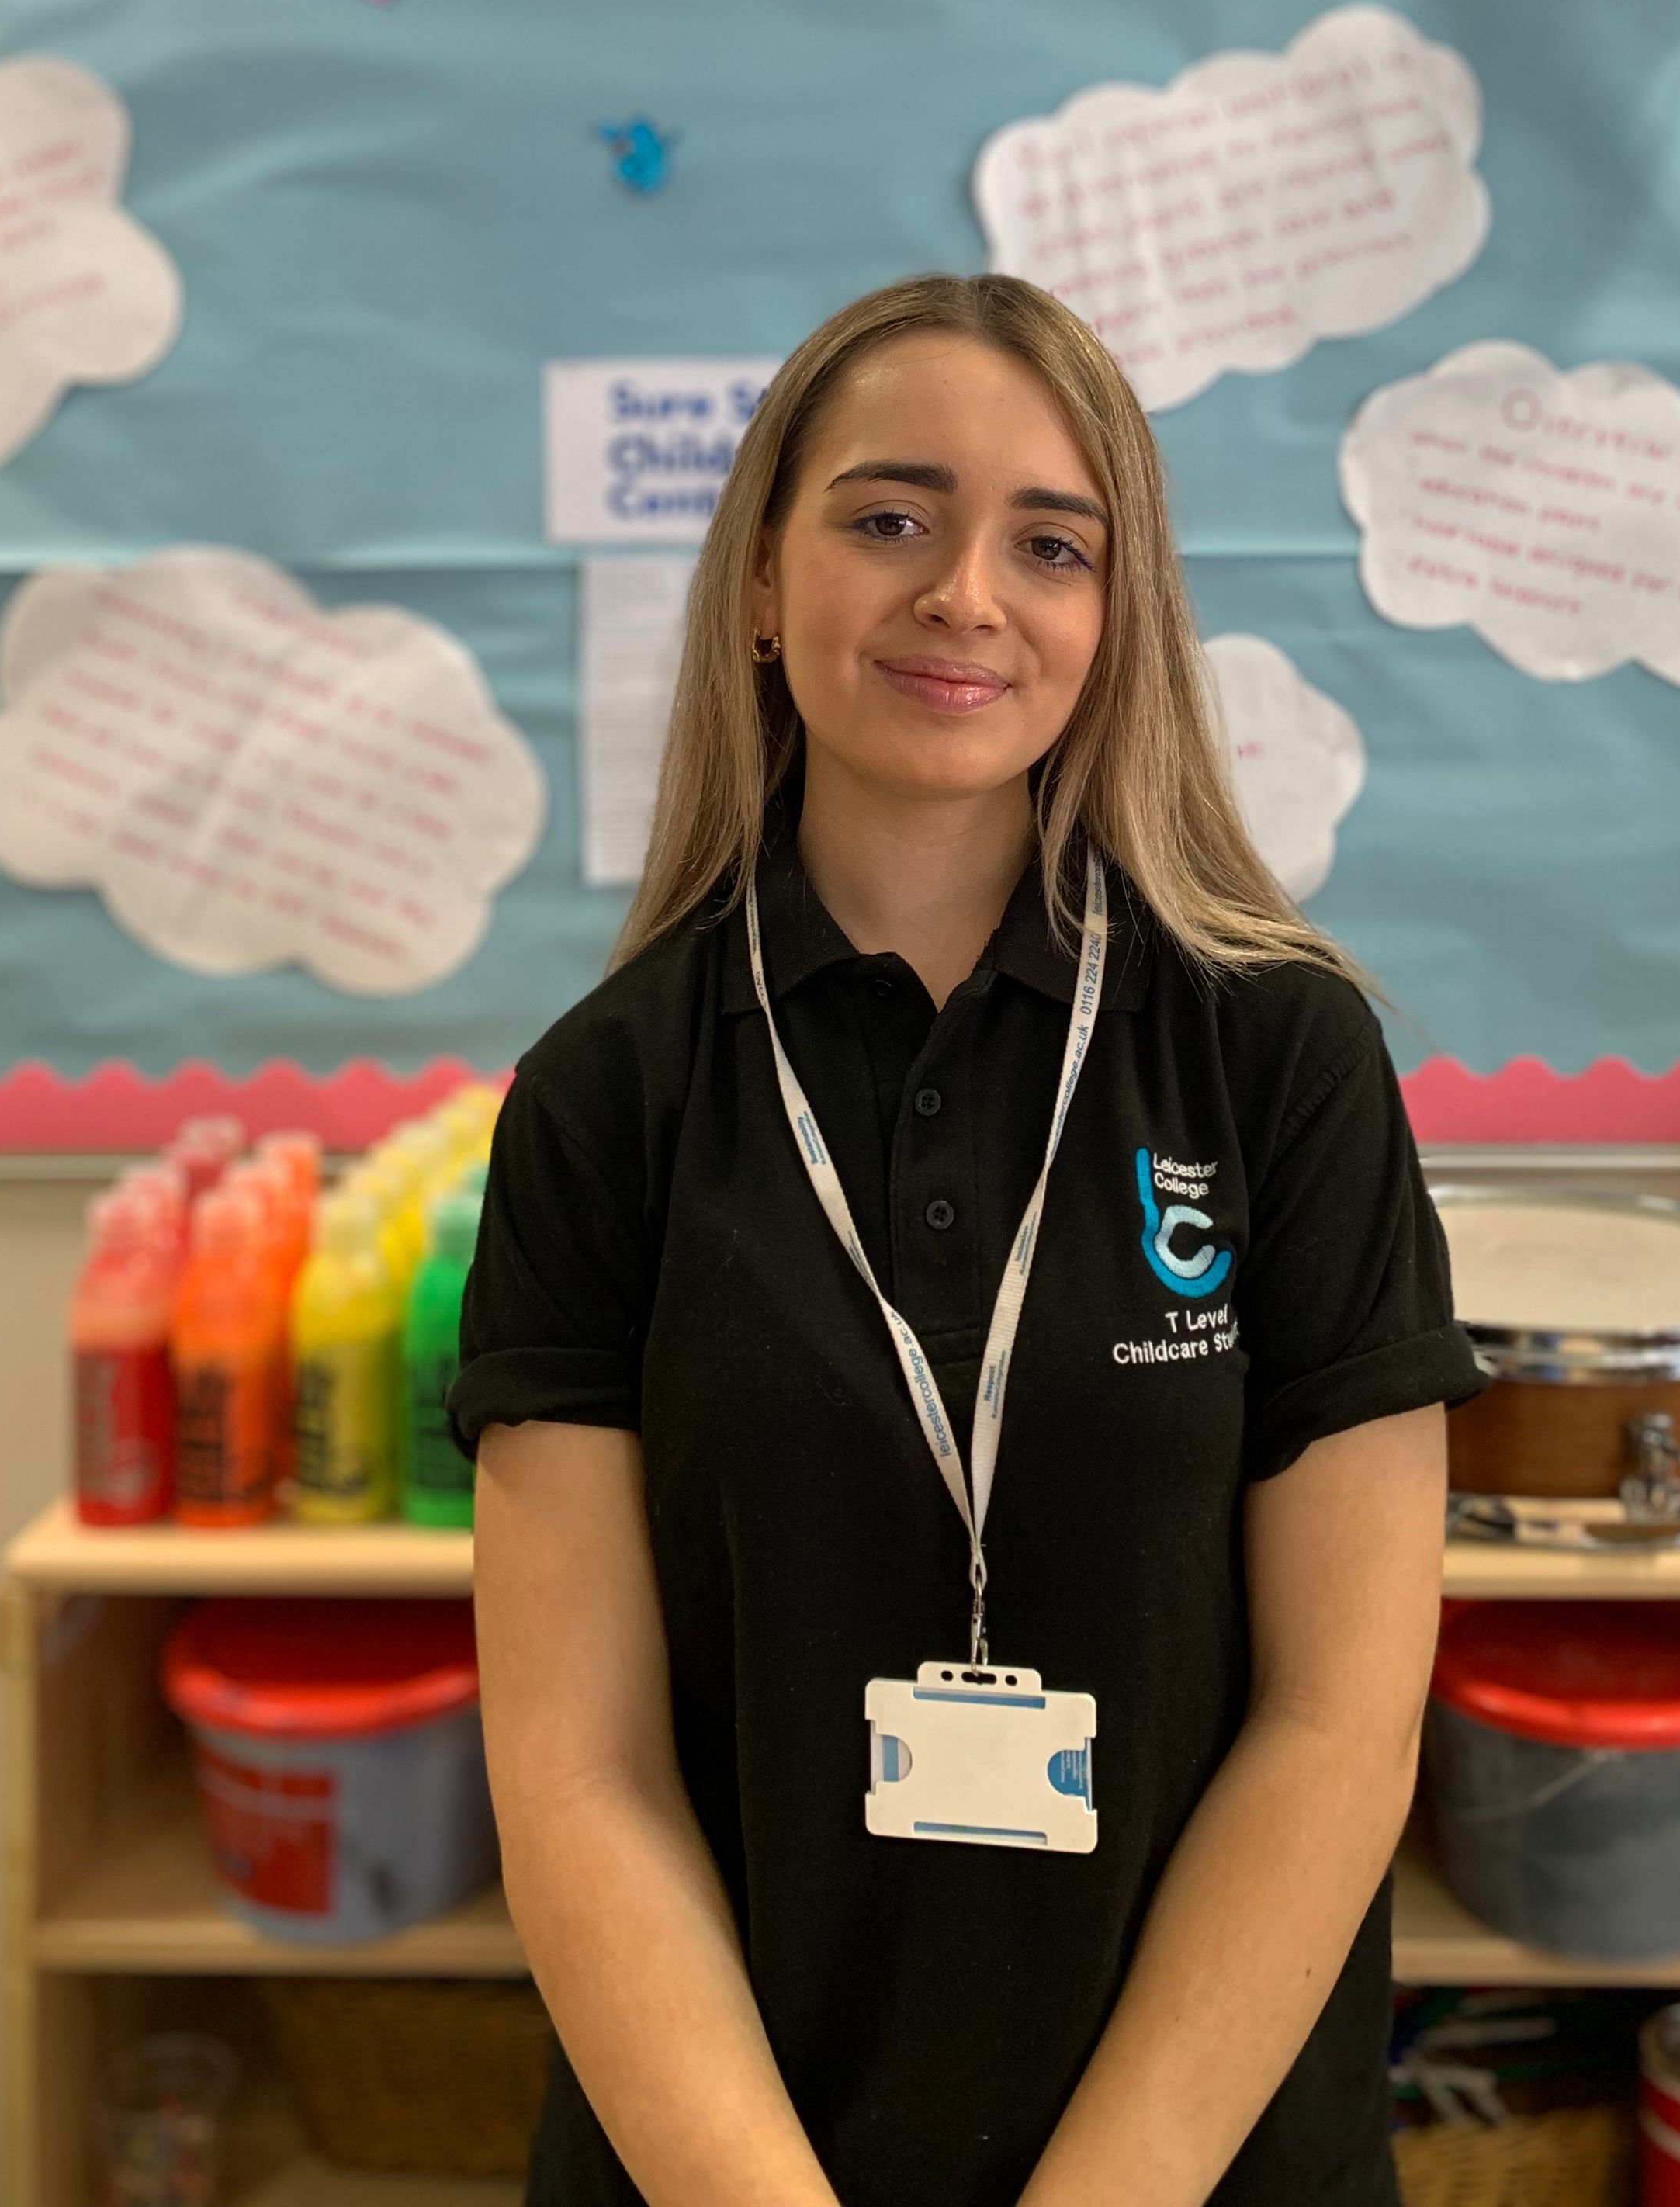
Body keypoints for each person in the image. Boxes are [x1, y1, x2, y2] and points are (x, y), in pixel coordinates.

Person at [455, 272, 1480, 2207]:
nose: (967, 595)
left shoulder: (1282, 1057)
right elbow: (580, 1774)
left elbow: (1344, 1716)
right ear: (763, 583)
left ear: (1118, 614)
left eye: (1051, 542)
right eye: (888, 517)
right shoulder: (609, 1095)